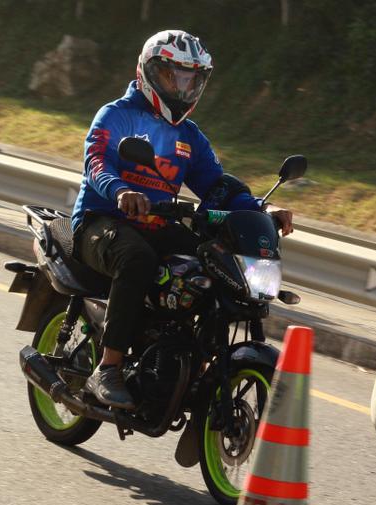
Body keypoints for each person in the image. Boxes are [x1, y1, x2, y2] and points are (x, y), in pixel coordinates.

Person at [72, 30, 293, 409]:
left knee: (214, 264)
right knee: (136, 258)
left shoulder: (188, 136)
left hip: (157, 226)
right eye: (173, 76)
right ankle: (107, 368)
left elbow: (218, 185)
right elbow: (97, 163)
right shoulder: (117, 115)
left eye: (191, 79)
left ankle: (190, 358)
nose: (182, 86)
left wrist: (261, 210)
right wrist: (121, 191)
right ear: (149, 72)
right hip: (102, 221)